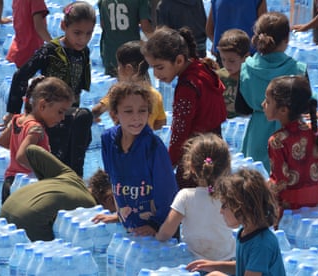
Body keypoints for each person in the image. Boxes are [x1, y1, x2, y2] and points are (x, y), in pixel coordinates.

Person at [3, 1, 97, 177]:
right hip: (50, 114)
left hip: (69, 113)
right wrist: (13, 112)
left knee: (75, 149)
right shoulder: (50, 51)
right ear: (63, 26)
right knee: (57, 155)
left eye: (88, 34)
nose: (83, 39)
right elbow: (20, 76)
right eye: (77, 33)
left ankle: (74, 181)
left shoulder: (84, 52)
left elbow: (76, 88)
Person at [142, 26, 227, 190]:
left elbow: (180, 132)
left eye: (159, 67)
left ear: (179, 61)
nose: (156, 75)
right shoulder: (203, 68)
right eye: (152, 68)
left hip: (196, 155)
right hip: (217, 148)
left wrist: (167, 164)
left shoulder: (187, 87)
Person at [95, 82, 178, 236]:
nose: (136, 118)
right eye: (128, 111)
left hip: (156, 231)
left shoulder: (153, 147)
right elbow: (116, 181)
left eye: (142, 111)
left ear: (149, 113)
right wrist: (120, 215)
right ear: (114, 114)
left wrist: (155, 225)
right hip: (132, 226)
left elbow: (167, 193)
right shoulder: (108, 140)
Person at [237, 12, 307, 171]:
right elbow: (306, 104)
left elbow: (241, 108)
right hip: (291, 133)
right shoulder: (297, 69)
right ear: (286, 39)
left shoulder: (247, 67)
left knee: (257, 183)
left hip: (257, 132)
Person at [186, 169, 285, 275]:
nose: (221, 211)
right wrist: (213, 265)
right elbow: (242, 266)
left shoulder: (262, 244)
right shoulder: (245, 232)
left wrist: (217, 274)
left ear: (243, 208)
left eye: (225, 205)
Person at [0, 144, 107, 241]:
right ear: (109, 199)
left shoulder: (70, 175)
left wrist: (46, 183)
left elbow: (32, 150)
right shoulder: (89, 207)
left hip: (6, 209)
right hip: (27, 221)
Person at [155, 133, 236, 261]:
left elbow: (166, 232)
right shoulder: (230, 196)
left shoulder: (185, 196)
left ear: (191, 167)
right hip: (226, 262)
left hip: (193, 263)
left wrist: (157, 237)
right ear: (227, 166)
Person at [264, 75, 318, 214]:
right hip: (316, 203)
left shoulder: (277, 141)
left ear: (283, 110)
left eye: (268, 101)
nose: (263, 104)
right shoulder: (314, 131)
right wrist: (311, 185)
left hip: (290, 209)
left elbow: (280, 182)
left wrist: (261, 190)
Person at [0, 76, 74, 204]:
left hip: (10, 181)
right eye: (60, 112)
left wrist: (18, 146)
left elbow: (2, 141)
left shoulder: (18, 120)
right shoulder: (36, 129)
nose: (62, 118)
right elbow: (21, 156)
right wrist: (46, 172)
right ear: (42, 105)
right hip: (26, 186)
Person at [91, 40, 167, 130]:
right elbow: (161, 123)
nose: (118, 70)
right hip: (145, 142)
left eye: (119, 66)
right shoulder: (156, 95)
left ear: (128, 69)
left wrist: (90, 118)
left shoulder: (119, 93)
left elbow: (97, 110)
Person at [98, 0, 154, 77]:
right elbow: (146, 28)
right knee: (140, 86)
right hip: (132, 54)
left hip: (110, 54)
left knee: (115, 86)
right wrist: (157, 46)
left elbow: (103, 25)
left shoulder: (102, 1)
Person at [206, 0, 267, 65]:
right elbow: (264, 28)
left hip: (224, 56)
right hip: (248, 55)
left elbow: (209, 30)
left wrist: (218, 45)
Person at [216, 29, 251, 119]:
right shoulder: (218, 77)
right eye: (223, 59)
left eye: (232, 61)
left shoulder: (249, 79)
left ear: (246, 57)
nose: (226, 64)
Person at [6, 0, 52, 68]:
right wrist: (55, 46)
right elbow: (39, 28)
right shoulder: (36, 1)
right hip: (30, 54)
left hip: (15, 53)